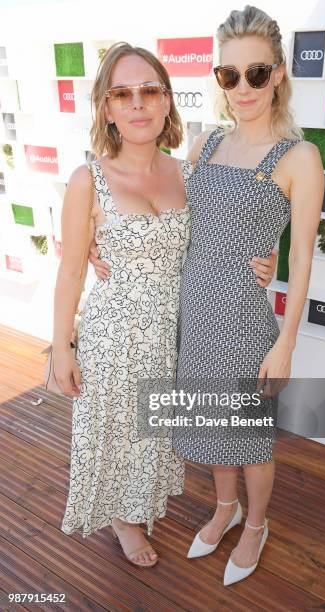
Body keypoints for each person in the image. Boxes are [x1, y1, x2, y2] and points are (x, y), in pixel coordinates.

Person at [172, 5, 325, 587]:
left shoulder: (300, 158)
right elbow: (184, 224)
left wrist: (286, 341)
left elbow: (303, 255)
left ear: (279, 74)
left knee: (251, 438)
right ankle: (223, 507)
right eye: (228, 75)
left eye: (256, 74)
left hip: (243, 324)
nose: (242, 88)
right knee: (211, 427)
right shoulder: (204, 144)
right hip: (196, 316)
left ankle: (255, 523)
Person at [52, 41, 194, 567]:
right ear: (107, 108)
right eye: (123, 93)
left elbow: (210, 245)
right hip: (112, 336)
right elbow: (70, 270)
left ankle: (137, 506)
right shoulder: (88, 179)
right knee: (114, 432)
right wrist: (62, 348)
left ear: (166, 102)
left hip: (168, 334)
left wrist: (259, 262)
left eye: (150, 91)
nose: (138, 104)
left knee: (150, 432)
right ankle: (124, 520)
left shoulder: (188, 173)